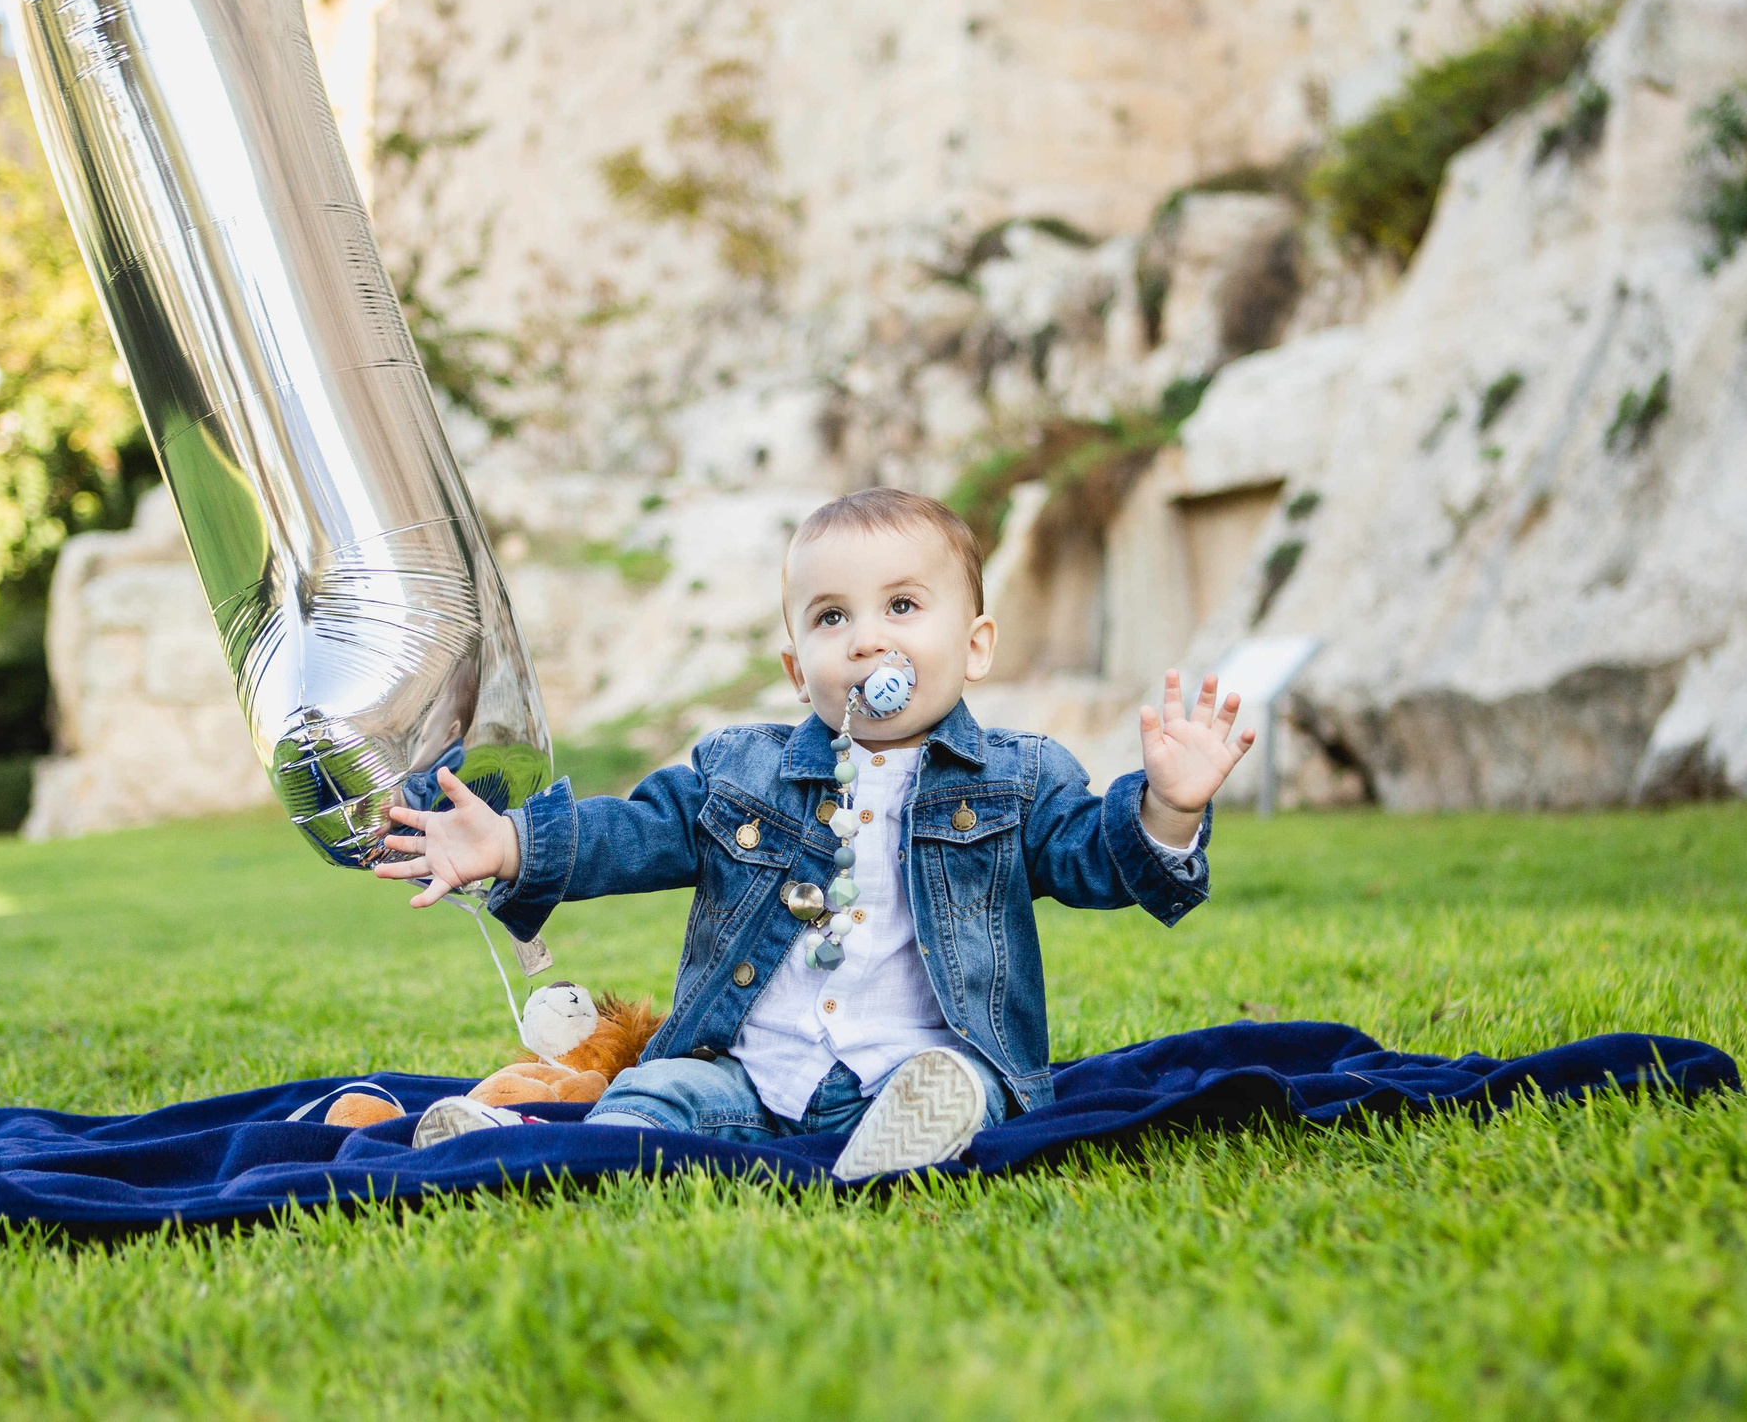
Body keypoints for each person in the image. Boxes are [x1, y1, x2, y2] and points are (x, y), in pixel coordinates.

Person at [379, 487, 1255, 1179]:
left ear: (976, 645)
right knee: (658, 1095)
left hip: (919, 1062)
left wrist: (1167, 809)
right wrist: (511, 844)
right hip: (755, 1073)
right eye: (833, 618)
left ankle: (910, 1131)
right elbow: (633, 831)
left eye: (903, 607)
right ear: (800, 669)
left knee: (966, 1086)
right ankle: (517, 1142)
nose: (868, 640)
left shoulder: (1016, 780)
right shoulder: (742, 773)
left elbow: (1095, 855)